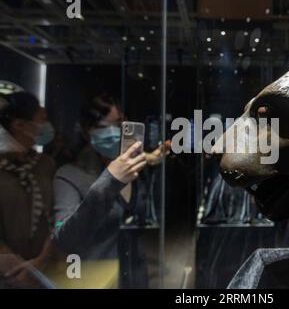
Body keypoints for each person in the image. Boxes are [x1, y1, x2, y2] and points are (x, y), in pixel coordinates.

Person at [52, 94, 166, 288]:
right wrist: (109, 181)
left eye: (119, 124)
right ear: (88, 132)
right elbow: (63, 239)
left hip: (135, 276)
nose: (114, 133)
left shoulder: (134, 172)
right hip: (96, 280)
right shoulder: (69, 176)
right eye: (104, 127)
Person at [0, 92, 56, 288]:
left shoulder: (45, 164)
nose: (47, 127)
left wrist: (39, 263)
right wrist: (16, 270)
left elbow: (56, 217)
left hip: (43, 273)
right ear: (19, 125)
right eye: (42, 120)